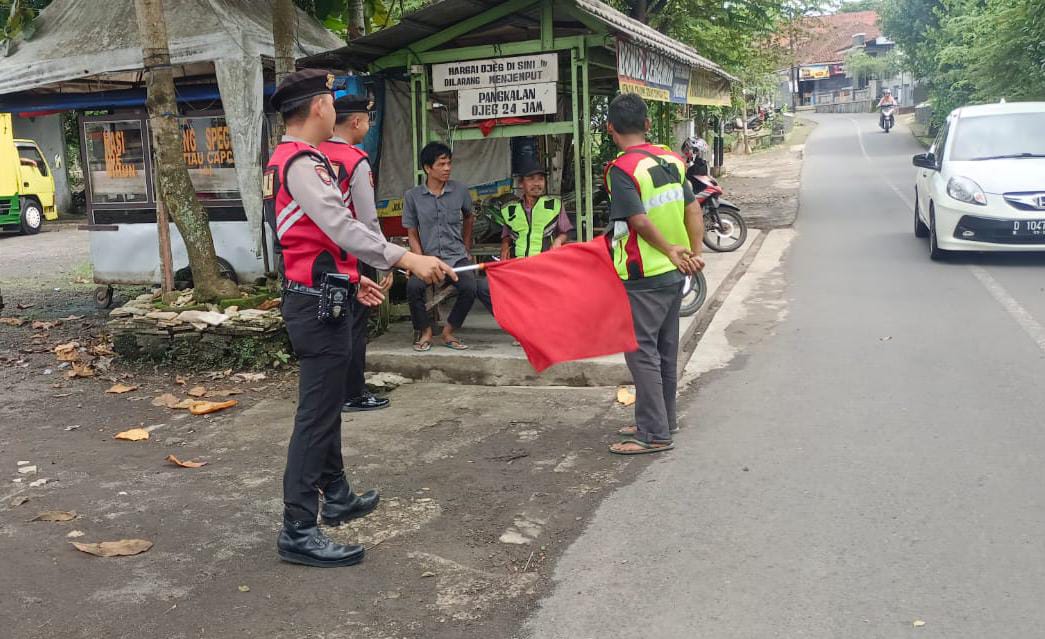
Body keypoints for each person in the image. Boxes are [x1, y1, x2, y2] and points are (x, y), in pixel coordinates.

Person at [265, 69, 454, 568]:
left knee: (325, 409)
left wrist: (352, 278)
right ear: (317, 107)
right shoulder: (300, 162)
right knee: (316, 416)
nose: (336, 107)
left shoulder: (303, 159)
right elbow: (341, 224)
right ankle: (299, 528)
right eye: (330, 99)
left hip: (324, 292)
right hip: (314, 305)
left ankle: (338, 494)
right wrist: (405, 259)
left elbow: (315, 240)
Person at [603, 92, 705, 456]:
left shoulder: (622, 170)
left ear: (610, 128)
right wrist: (692, 252)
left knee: (641, 353)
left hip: (643, 273)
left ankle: (653, 433)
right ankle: (663, 420)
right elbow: (693, 209)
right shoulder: (672, 161)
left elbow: (638, 220)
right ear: (647, 125)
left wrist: (668, 250)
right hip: (674, 274)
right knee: (664, 350)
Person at [319, 94, 392, 413]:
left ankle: (331, 391)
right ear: (356, 122)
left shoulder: (311, 154)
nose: (368, 125)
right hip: (354, 254)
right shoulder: (355, 160)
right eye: (367, 119)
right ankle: (353, 392)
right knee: (354, 324)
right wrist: (384, 258)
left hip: (318, 255)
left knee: (328, 324)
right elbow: (367, 218)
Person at [403, 141, 492, 352]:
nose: (447, 169)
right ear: (427, 168)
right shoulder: (412, 196)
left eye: (449, 163)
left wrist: (467, 247)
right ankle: (425, 331)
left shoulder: (460, 190)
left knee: (470, 287)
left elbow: (469, 216)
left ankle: (448, 332)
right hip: (428, 258)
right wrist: (418, 259)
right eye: (441, 164)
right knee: (413, 288)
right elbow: (412, 231)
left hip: (456, 256)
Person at [498, 157, 572, 260]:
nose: (537, 183)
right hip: (519, 263)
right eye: (531, 179)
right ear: (521, 183)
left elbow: (565, 232)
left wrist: (558, 241)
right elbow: (507, 235)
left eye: (540, 179)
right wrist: (505, 245)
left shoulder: (554, 205)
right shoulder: (511, 209)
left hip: (545, 262)